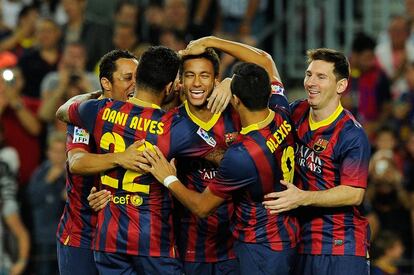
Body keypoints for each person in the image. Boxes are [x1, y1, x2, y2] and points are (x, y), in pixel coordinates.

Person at [138, 37, 299, 274]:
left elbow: (264, 63)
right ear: (179, 82)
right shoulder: (171, 122)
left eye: (204, 75)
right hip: (195, 244)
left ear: (216, 80)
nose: (197, 83)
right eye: (190, 75)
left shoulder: (238, 110)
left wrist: (232, 79)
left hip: (238, 243)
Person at [56, 46, 220, 274]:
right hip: (148, 240)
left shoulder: (99, 110)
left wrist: (92, 98)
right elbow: (222, 155)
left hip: (108, 240)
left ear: (140, 76)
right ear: (170, 86)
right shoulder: (173, 126)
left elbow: (63, 111)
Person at [262, 48, 371, 275]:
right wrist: (229, 83)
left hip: (341, 246)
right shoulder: (297, 112)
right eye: (309, 74)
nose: (311, 82)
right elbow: (267, 69)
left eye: (321, 77)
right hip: (302, 242)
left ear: (341, 86)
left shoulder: (351, 134)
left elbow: (354, 192)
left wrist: (302, 198)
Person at [55, 49, 143, 275]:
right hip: (82, 234)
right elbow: (77, 162)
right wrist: (120, 158)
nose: (135, 84)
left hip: (123, 235)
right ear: (106, 82)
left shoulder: (140, 117)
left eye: (137, 78)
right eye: (127, 78)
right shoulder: (85, 116)